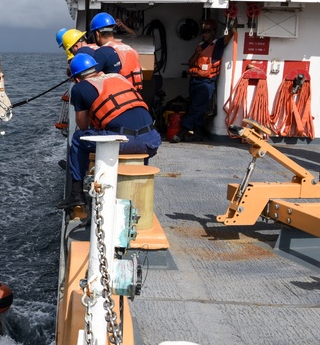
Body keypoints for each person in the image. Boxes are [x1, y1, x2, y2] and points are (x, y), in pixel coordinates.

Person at [60, 52, 162, 208]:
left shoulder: (80, 88)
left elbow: (82, 125)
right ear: (96, 69)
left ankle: (76, 194)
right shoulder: (119, 78)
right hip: (151, 141)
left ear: (76, 78)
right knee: (134, 136)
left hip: (122, 143)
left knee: (79, 138)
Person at [175, 19, 236, 142]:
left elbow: (231, 35)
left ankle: (182, 131)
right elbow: (190, 63)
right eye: (203, 31)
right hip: (195, 81)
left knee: (196, 108)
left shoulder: (218, 44)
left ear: (213, 31)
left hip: (206, 83)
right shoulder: (201, 45)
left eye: (207, 31)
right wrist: (197, 54)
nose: (204, 34)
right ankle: (197, 133)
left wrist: (233, 21)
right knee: (195, 107)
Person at [90, 12, 144, 90]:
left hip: (116, 99)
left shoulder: (102, 53)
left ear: (97, 34)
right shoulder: (130, 49)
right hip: (134, 96)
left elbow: (88, 79)